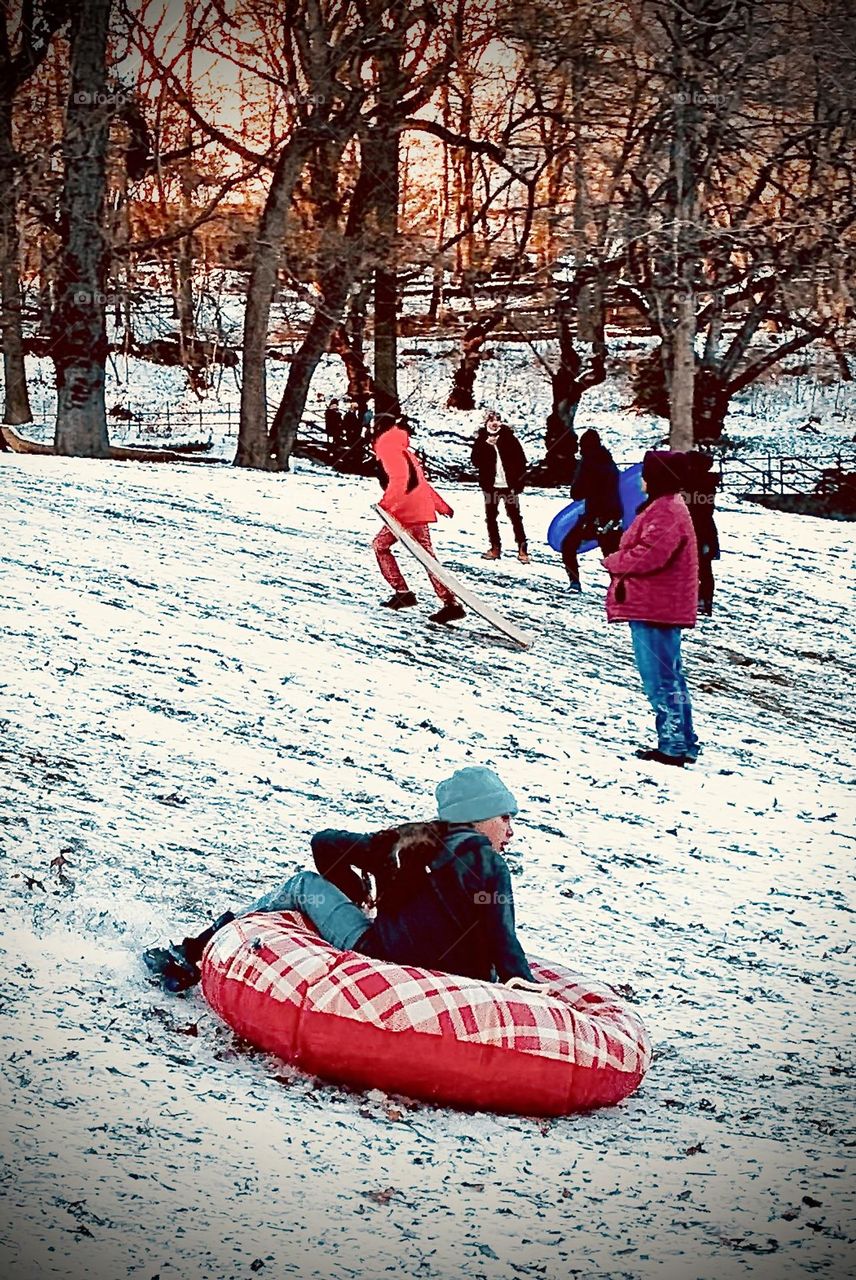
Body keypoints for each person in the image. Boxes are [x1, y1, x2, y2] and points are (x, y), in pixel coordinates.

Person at [143, 766, 535, 993]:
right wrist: (524, 983)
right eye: (505, 817)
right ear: (479, 814)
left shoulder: (410, 838)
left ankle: (189, 953)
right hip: (461, 978)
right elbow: (502, 934)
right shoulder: (489, 866)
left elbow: (325, 844)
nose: (511, 831)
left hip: (384, 954)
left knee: (300, 885)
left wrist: (357, 893)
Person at [602, 450, 700, 767]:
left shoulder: (665, 511)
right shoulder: (667, 507)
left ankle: (672, 746)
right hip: (659, 605)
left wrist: (612, 560)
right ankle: (681, 742)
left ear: (656, 479)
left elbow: (649, 555)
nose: (640, 480)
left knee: (659, 680)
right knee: (670, 677)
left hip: (655, 607)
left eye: (645, 474)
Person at [372, 414, 465, 626]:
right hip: (413, 508)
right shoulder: (404, 451)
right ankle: (414, 595)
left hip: (405, 511)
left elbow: (400, 482)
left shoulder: (390, 450)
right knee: (422, 553)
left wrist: (385, 505)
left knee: (385, 546)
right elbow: (422, 483)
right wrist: (440, 505)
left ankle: (445, 603)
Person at [560, 429, 623, 594]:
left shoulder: (588, 462)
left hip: (593, 516)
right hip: (614, 516)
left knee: (568, 546)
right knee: (611, 554)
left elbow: (577, 493)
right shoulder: (610, 462)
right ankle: (621, 589)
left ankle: (575, 583)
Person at [471, 412, 530, 562]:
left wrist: (519, 483)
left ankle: (523, 549)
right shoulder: (481, 439)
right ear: (486, 423)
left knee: (516, 518)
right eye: (491, 421)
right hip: (491, 486)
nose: (495, 423)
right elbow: (475, 461)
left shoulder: (509, 438)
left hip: (509, 485)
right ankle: (495, 548)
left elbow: (521, 461)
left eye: (498, 420)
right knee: (491, 518)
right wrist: (486, 445)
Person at [683, 451, 720, 616]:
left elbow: (696, 507)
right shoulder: (706, 482)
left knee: (697, 566)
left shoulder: (695, 482)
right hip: (704, 530)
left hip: (696, 530)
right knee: (704, 567)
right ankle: (704, 600)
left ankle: (698, 599)